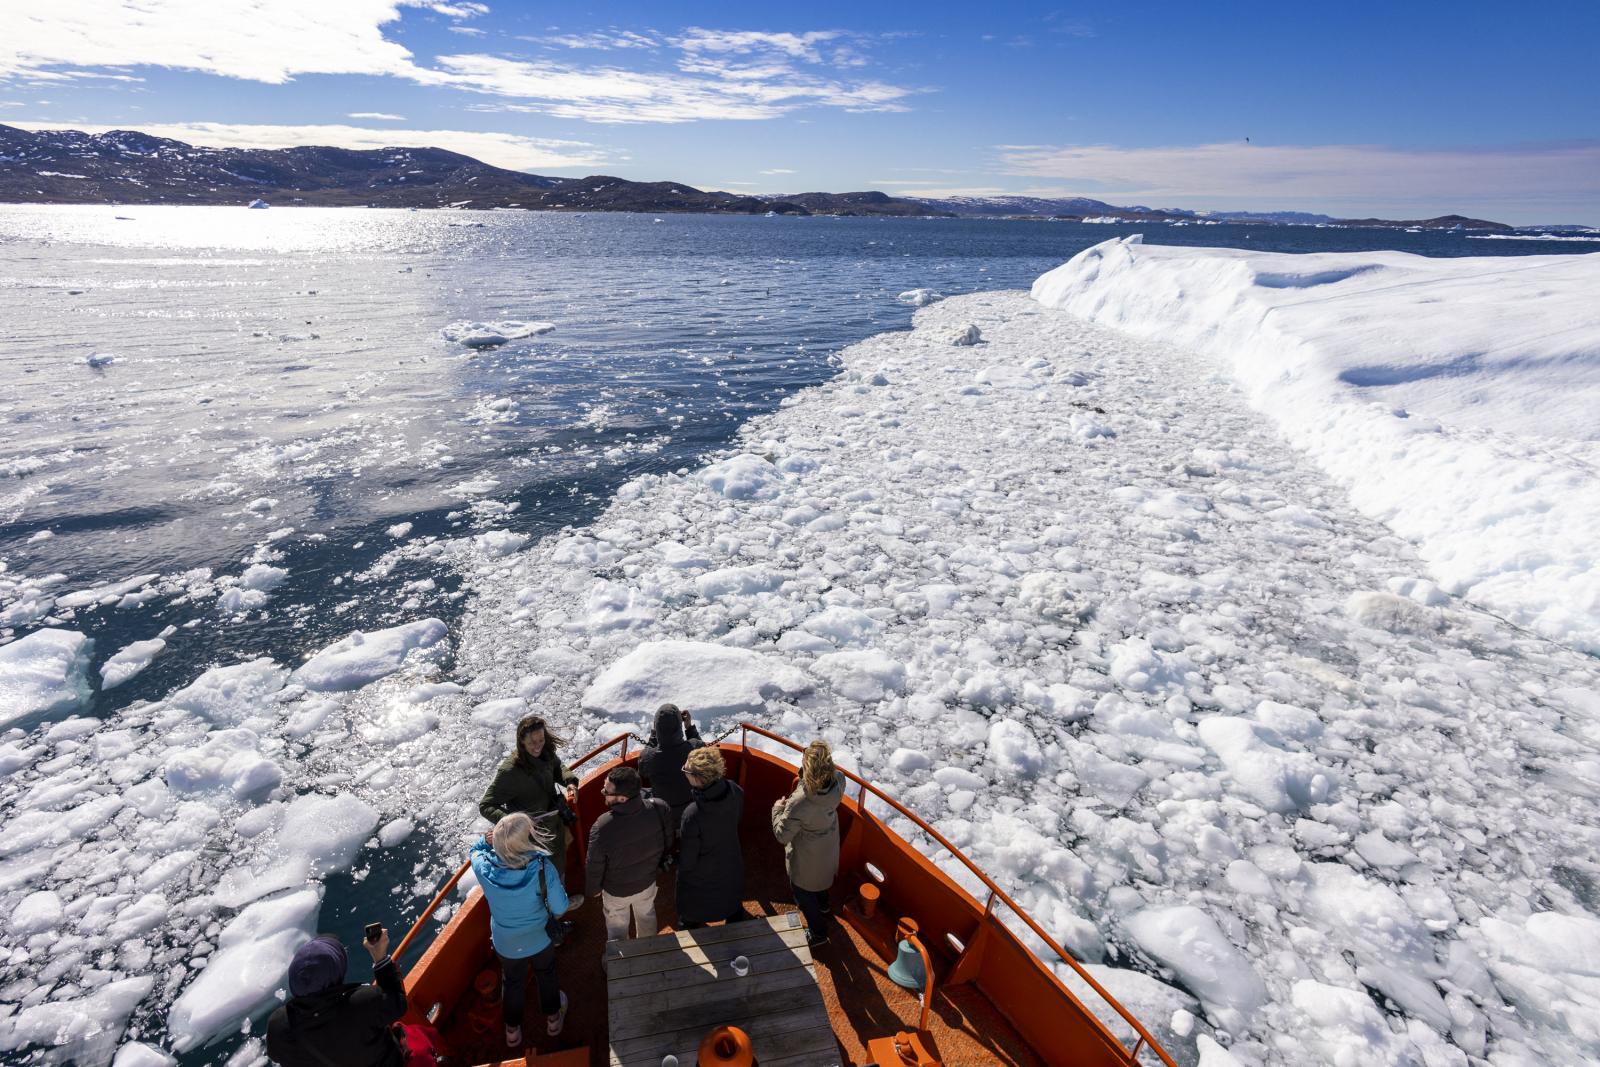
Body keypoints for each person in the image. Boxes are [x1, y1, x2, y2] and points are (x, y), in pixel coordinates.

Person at [266, 926, 437, 1066]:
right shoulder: (362, 1002)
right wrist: (380, 959)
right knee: (416, 1038)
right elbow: (398, 1003)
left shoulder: (279, 1025)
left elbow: (275, 1055)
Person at [470, 813, 571, 1048]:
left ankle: (512, 1032)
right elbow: (560, 907)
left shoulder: (483, 867)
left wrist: (486, 842)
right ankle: (554, 1021)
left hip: (506, 942)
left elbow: (473, 851)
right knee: (546, 973)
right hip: (540, 938)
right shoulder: (543, 867)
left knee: (513, 981)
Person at [481, 714, 580, 882]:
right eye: (532, 742)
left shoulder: (545, 752)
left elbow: (557, 766)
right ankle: (553, 905)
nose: (537, 746)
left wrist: (569, 781)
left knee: (561, 853)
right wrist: (515, 823)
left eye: (540, 740)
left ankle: (559, 895)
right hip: (533, 835)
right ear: (521, 742)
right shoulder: (510, 771)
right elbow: (486, 805)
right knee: (546, 870)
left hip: (553, 821)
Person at [586, 765, 673, 943]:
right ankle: (649, 951)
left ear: (623, 798)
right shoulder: (659, 808)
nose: (603, 792)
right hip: (647, 882)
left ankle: (620, 962)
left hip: (617, 892)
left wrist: (593, 889)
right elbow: (667, 842)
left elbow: (594, 864)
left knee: (617, 928)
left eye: (607, 791)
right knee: (647, 916)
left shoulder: (602, 826)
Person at [771, 739, 846, 948]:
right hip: (828, 847)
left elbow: (781, 835)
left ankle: (818, 933)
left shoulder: (801, 801)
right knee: (821, 880)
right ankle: (823, 905)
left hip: (806, 858)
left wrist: (777, 809)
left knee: (803, 893)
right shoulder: (839, 780)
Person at [677, 746, 746, 928]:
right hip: (730, 859)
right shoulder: (735, 790)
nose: (683, 770)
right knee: (731, 897)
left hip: (703, 872)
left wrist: (680, 868)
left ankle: (689, 924)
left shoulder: (692, 815)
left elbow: (688, 860)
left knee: (692, 907)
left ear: (697, 779)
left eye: (686, 769)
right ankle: (735, 918)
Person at [639, 703, 702, 826]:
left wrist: (654, 734)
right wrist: (689, 727)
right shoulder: (694, 747)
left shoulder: (648, 757)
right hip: (693, 808)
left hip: (663, 811)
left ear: (657, 728)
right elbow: (702, 749)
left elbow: (642, 770)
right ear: (679, 727)